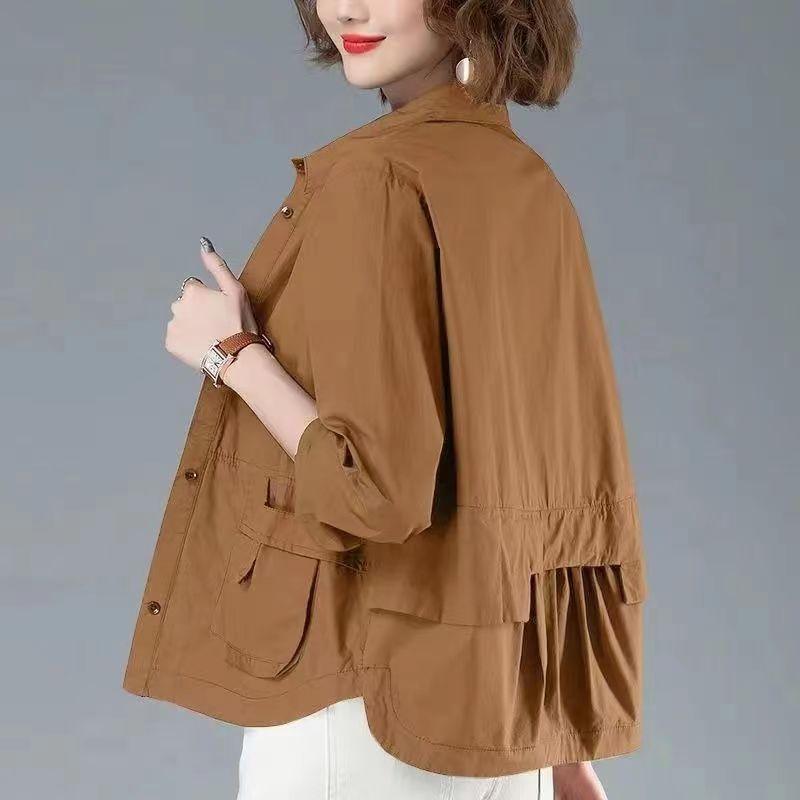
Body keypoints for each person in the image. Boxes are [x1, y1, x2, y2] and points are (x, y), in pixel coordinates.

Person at [122, 2, 648, 798]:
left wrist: (231, 353)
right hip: (501, 717)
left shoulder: (376, 178)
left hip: (362, 715)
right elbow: (535, 475)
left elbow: (373, 489)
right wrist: (559, 747)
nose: (347, 8)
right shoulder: (525, 179)